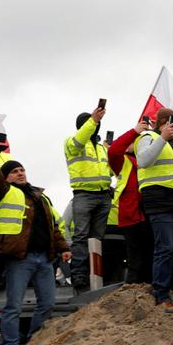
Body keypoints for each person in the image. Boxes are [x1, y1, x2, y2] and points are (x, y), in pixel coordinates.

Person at [0, 153, 71, 345]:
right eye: (14, 171)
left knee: (47, 304)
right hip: (20, 259)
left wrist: (63, 247)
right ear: (6, 178)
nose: (20, 173)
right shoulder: (4, 192)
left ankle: (32, 344)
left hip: (45, 259)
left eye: (22, 170)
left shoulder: (40, 196)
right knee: (14, 307)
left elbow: (52, 227)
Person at [134, 108, 173, 311]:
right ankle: (161, 295)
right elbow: (143, 161)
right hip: (160, 202)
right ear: (161, 122)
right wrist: (162, 137)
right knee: (165, 248)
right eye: (171, 122)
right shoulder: (148, 137)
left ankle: (168, 289)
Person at [63, 107, 112, 291]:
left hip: (103, 195)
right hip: (83, 195)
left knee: (97, 238)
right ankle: (79, 275)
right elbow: (80, 139)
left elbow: (110, 169)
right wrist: (93, 120)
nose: (94, 126)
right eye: (91, 123)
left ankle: (95, 273)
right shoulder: (72, 142)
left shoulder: (101, 148)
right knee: (81, 236)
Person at [106, 119, 154, 285]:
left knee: (149, 259)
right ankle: (133, 296)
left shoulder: (149, 159)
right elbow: (113, 151)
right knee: (136, 261)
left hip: (149, 214)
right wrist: (134, 132)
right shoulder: (124, 161)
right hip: (133, 216)